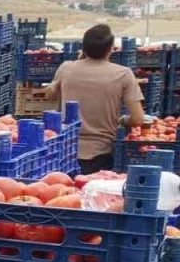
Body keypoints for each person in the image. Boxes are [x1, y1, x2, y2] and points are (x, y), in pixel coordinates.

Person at [48, 23, 149, 174]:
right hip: (101, 153)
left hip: (65, 152)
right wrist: (122, 120)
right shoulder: (123, 74)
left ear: (83, 47)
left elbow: (49, 94)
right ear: (111, 49)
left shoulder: (66, 68)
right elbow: (138, 119)